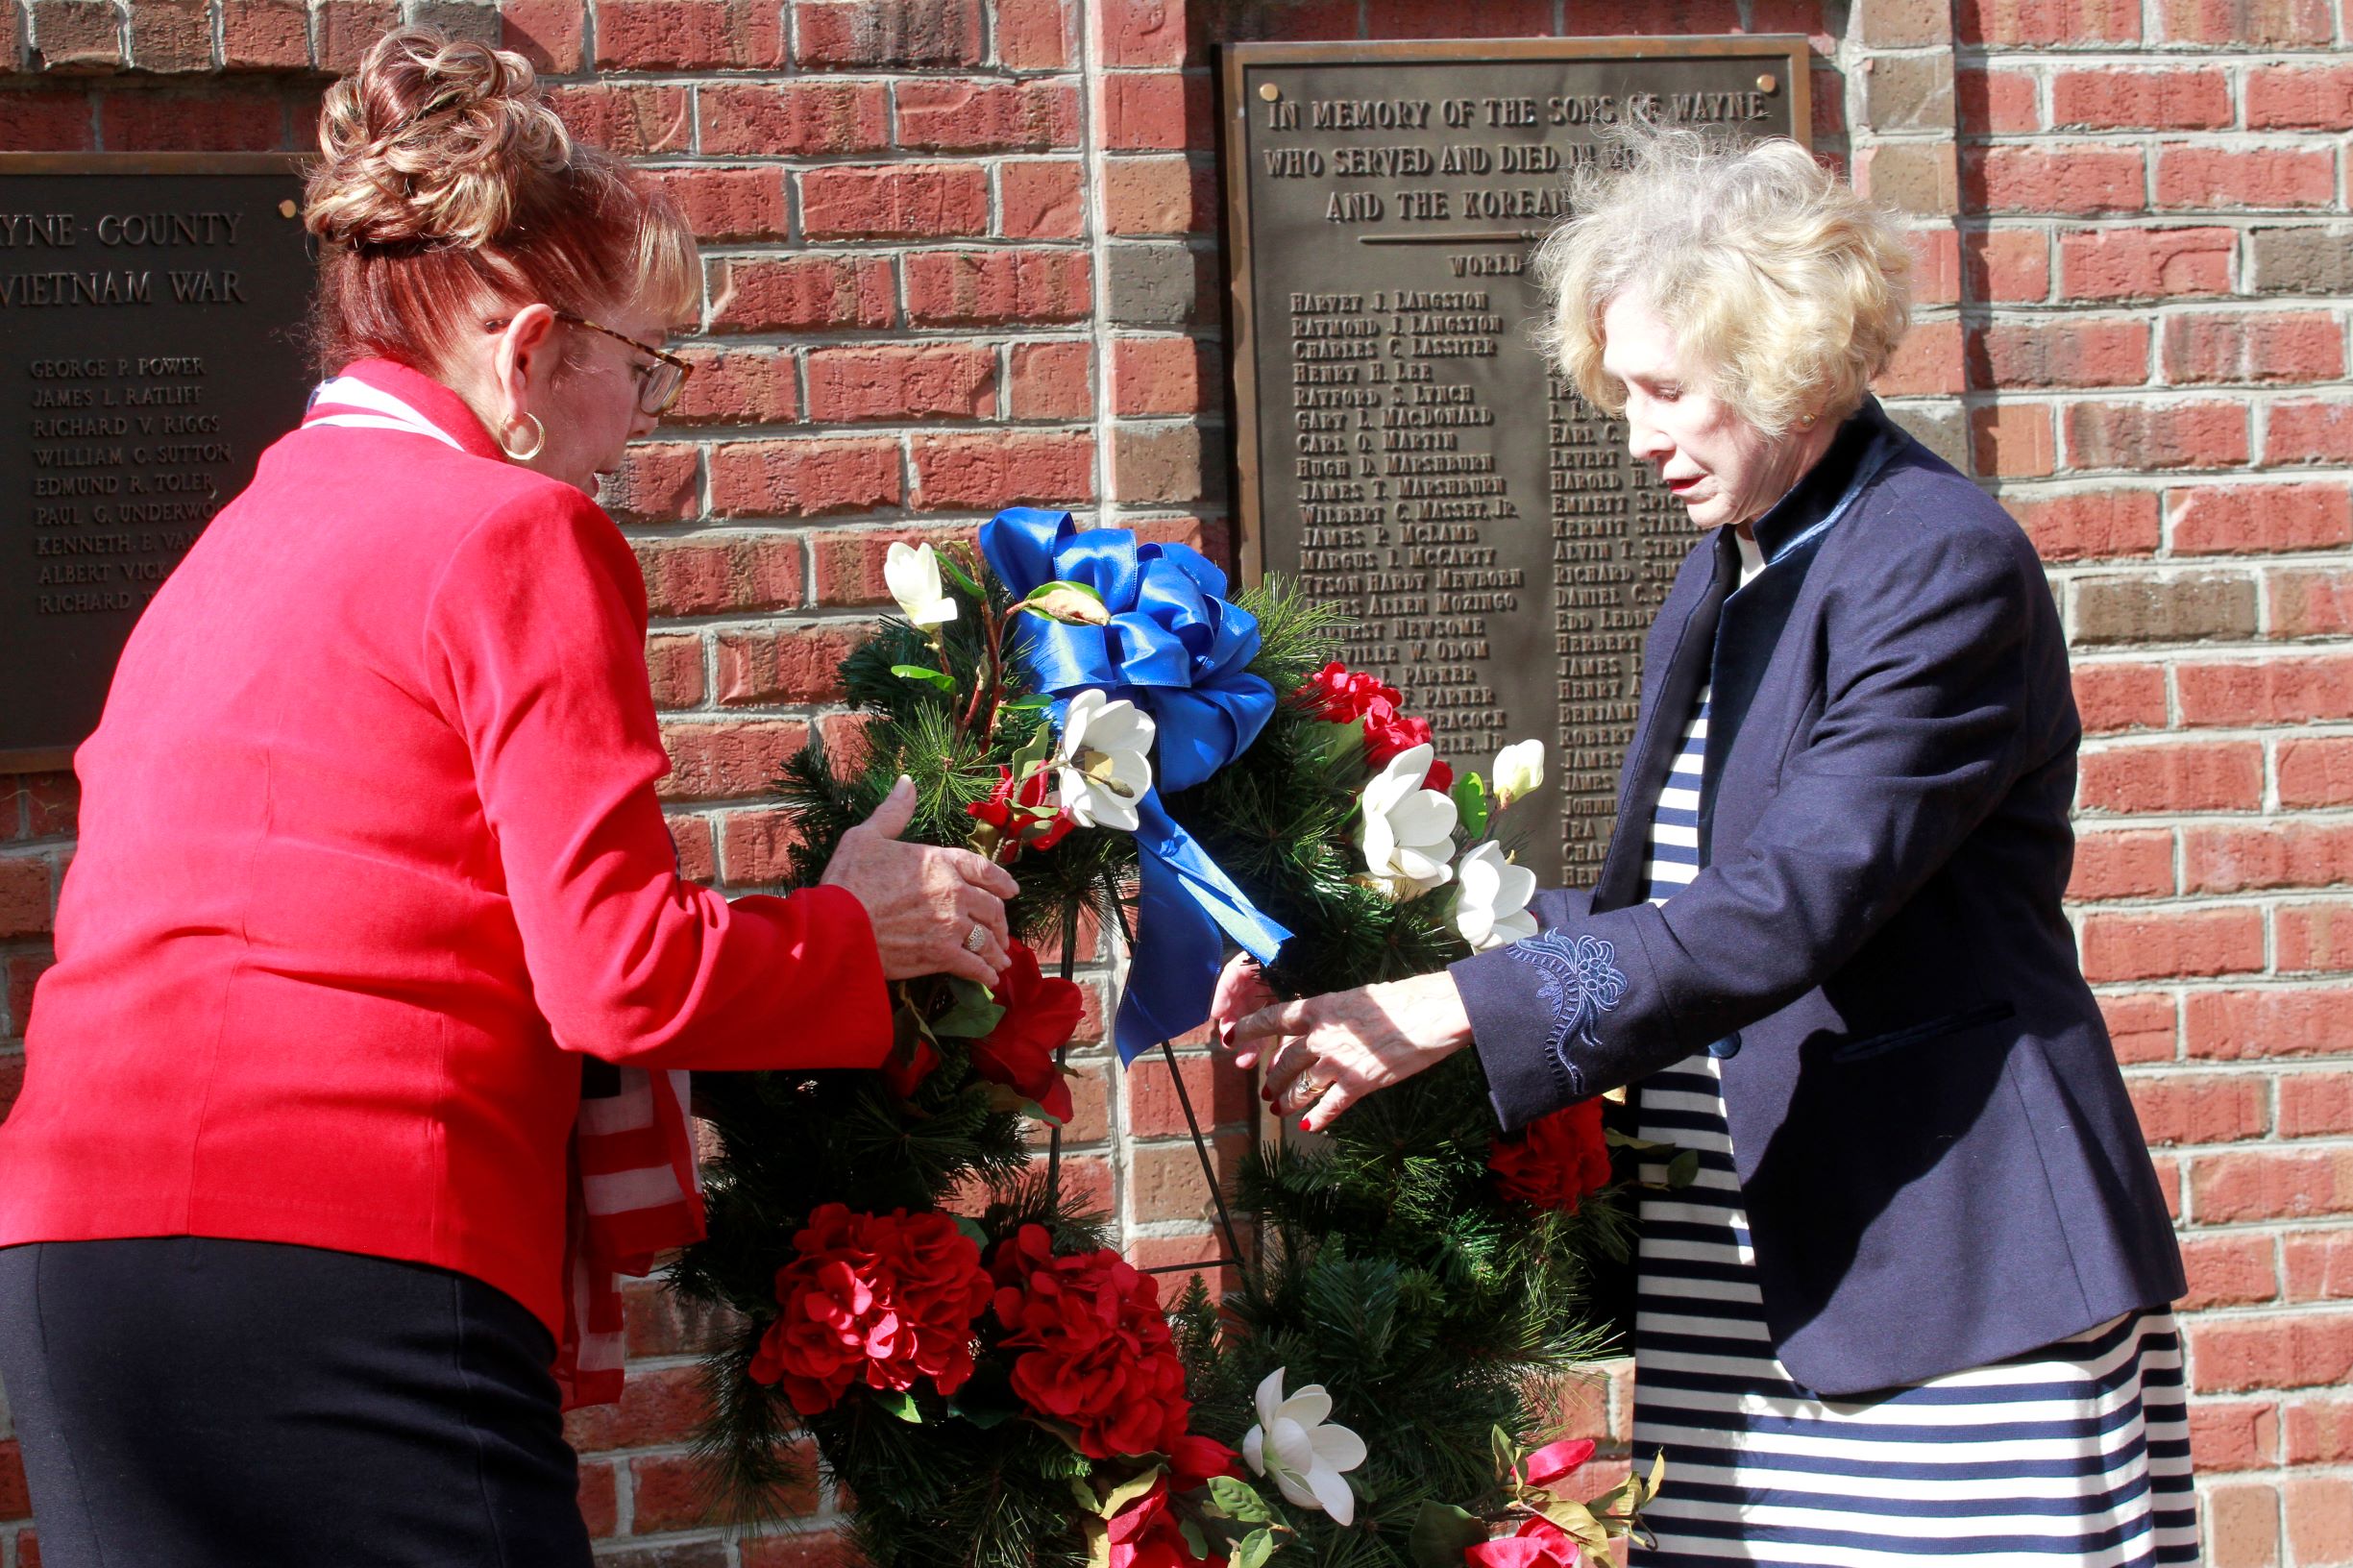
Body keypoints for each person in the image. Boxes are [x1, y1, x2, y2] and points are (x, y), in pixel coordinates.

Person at [0, 28, 1017, 1568]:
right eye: (644, 364)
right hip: (346, 1249)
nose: (646, 417)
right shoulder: (512, 533)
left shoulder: (240, 537)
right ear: (532, 353)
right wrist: (848, 935)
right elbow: (619, 972)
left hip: (80, 1264)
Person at [1217, 131, 2195, 1566]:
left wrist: (1447, 1015)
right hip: (1742, 1275)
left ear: (1785, 360)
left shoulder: (1935, 562)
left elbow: (1778, 910)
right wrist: (1346, 952)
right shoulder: (1735, 561)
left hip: (1943, 1265)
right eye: (1622, 391)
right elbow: (1650, 909)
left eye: (1667, 390)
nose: (1634, 434)